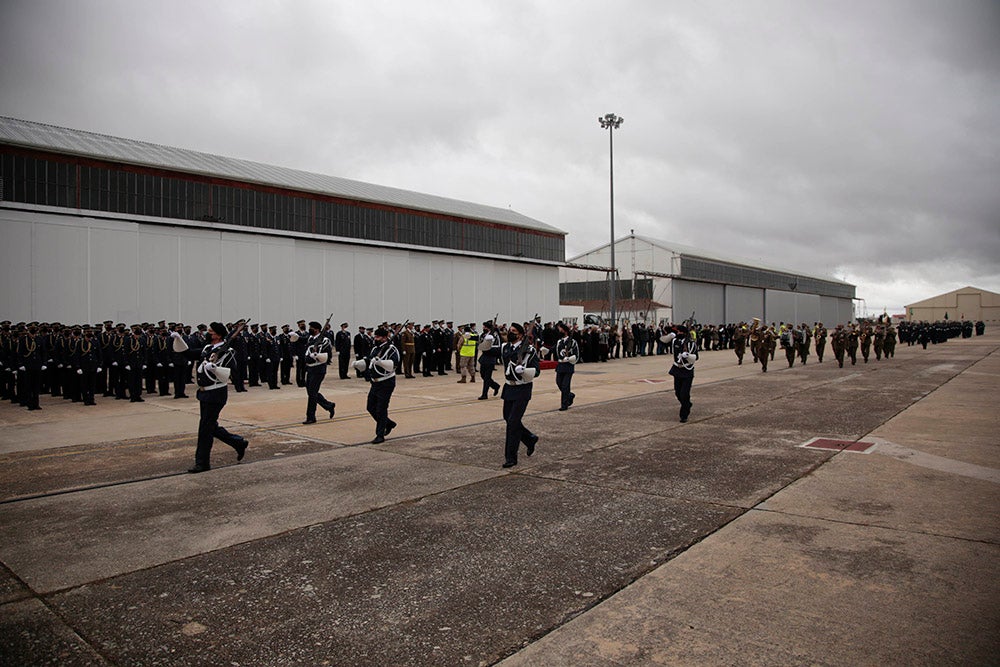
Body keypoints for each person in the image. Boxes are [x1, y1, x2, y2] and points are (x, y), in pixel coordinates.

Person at [171, 321, 249, 473]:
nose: (209, 334)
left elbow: (231, 368)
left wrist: (214, 368)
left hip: (216, 393)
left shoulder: (228, 350)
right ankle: (238, 443)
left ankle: (202, 463)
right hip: (204, 393)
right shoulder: (208, 348)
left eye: (211, 332)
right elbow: (188, 353)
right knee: (210, 426)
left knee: (205, 429)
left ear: (218, 335)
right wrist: (178, 339)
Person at [499, 322, 541, 468]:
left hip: (522, 389)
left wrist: (523, 370)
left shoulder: (529, 350)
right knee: (508, 419)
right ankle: (530, 439)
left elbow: (537, 371)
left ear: (521, 335)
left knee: (512, 423)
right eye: (510, 330)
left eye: (514, 331)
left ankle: (511, 457)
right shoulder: (505, 347)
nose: (510, 333)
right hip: (508, 388)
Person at [355, 327, 400, 444]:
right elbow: (370, 361)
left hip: (386, 382)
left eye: (378, 337)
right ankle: (389, 423)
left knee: (381, 409)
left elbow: (394, 364)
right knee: (370, 407)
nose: (375, 338)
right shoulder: (375, 348)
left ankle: (380, 435)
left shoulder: (391, 349)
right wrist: (359, 363)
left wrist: (380, 362)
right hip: (375, 382)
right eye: (375, 336)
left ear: (385, 338)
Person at [302, 321, 336, 424]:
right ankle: (329, 405)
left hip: (318, 369)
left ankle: (311, 417)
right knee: (311, 392)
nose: (310, 329)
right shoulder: (310, 339)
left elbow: (327, 355)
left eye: (311, 328)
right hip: (310, 368)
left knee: (312, 393)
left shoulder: (325, 340)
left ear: (317, 329)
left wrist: (316, 355)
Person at [664, 324, 697, 423]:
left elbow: (696, 357)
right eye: (677, 332)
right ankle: (687, 404)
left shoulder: (691, 344)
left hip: (687, 370)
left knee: (684, 393)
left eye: (680, 332)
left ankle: (684, 415)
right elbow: (665, 341)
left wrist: (687, 355)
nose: (678, 333)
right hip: (677, 370)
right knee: (678, 393)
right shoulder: (675, 341)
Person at [553, 321, 579, 411]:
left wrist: (569, 358)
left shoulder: (572, 342)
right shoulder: (559, 342)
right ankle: (570, 395)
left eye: (560, 329)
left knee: (565, 385)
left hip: (568, 366)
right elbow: (554, 350)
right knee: (559, 382)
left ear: (565, 331)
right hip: (560, 365)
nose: (559, 331)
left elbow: (577, 355)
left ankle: (564, 404)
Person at [477, 320, 502, 400]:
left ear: (488, 328)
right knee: (482, 375)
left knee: (487, 377)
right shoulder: (484, 335)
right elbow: (480, 343)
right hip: (484, 357)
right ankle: (495, 386)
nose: (483, 328)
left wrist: (488, 348)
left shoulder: (494, 335)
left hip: (490, 357)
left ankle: (484, 394)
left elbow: (498, 346)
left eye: (484, 327)